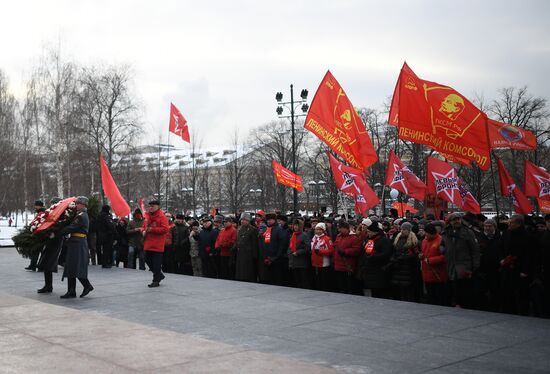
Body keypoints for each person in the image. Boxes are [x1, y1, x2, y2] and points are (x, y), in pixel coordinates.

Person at [499, 214, 536, 315]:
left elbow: (530, 255)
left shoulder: (528, 236)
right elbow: (501, 248)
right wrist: (502, 259)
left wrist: (525, 270)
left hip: (520, 271)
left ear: (519, 224)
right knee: (507, 293)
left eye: (512, 223)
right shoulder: (506, 233)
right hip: (507, 269)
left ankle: (522, 313)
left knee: (521, 295)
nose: (509, 224)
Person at [441, 212, 480, 308]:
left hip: (464, 264)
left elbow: (475, 250)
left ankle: (464, 305)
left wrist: (475, 265)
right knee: (453, 286)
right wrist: (442, 249)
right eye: (454, 220)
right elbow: (442, 244)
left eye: (458, 219)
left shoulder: (467, 232)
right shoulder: (445, 232)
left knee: (464, 287)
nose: (457, 221)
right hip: (451, 264)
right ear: (450, 222)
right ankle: (456, 304)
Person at [59, 196, 94, 299]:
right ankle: (72, 290)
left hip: (78, 243)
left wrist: (59, 231)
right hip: (75, 242)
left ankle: (86, 286)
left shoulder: (81, 216)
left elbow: (72, 227)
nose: (76, 205)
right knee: (71, 266)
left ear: (83, 205)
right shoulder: (79, 215)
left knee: (75, 266)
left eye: (78, 203)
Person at [358, 222, 393, 298]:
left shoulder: (383, 240)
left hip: (379, 269)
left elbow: (386, 253)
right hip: (370, 270)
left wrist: (374, 256)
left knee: (380, 292)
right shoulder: (370, 240)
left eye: (369, 232)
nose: (368, 233)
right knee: (373, 292)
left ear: (374, 232)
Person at [37, 197, 64, 294]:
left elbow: (62, 226)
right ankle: (48, 286)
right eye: (52, 203)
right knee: (46, 264)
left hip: (56, 240)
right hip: (50, 240)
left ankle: (48, 286)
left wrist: (54, 233)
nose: (52, 205)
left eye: (54, 203)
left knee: (48, 263)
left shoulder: (62, 215)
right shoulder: (52, 214)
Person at [389, 221, 420, 302]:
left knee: (408, 290)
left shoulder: (414, 240)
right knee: (400, 289)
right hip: (399, 268)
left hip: (408, 269)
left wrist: (404, 257)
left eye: (405, 229)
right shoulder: (397, 238)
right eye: (402, 229)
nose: (402, 231)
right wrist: (393, 258)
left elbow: (415, 254)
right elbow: (394, 251)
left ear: (409, 230)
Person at [142, 200, 170, 288]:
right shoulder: (147, 216)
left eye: (153, 206)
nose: (151, 207)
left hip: (157, 244)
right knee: (147, 259)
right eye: (150, 206)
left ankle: (156, 280)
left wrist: (152, 230)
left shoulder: (162, 217)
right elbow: (144, 226)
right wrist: (142, 230)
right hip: (148, 243)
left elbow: (165, 229)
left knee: (156, 263)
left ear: (158, 206)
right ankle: (159, 275)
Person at [419, 223, 449, 306]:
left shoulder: (441, 240)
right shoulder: (424, 241)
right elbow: (423, 252)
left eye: (427, 233)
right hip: (427, 273)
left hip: (438, 274)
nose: (425, 235)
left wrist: (431, 260)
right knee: (430, 297)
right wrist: (421, 255)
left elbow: (445, 256)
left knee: (439, 297)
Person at [333, 221, 362, 295]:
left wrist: (345, 251)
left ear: (346, 228)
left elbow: (357, 250)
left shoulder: (354, 237)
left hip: (348, 265)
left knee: (349, 285)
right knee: (341, 285)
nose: (339, 230)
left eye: (340, 228)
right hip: (338, 265)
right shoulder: (338, 236)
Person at [258, 213, 286, 285]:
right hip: (268, 258)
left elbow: (281, 245)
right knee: (271, 278)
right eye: (268, 220)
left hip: (276, 258)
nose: (268, 221)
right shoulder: (268, 229)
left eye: (270, 220)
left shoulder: (279, 230)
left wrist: (276, 257)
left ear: (274, 220)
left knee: (277, 278)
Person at [233, 213, 259, 282]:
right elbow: (237, 240)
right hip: (240, 252)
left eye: (244, 220)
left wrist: (254, 255)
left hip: (248, 254)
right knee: (240, 270)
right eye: (241, 220)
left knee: (248, 271)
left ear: (248, 221)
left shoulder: (253, 229)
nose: (242, 221)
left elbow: (255, 243)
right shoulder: (239, 228)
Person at [310, 222, 334, 291]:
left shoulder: (327, 239)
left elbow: (331, 251)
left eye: (319, 229)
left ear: (323, 230)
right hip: (315, 262)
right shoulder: (314, 238)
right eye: (316, 229)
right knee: (317, 279)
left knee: (324, 280)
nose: (318, 231)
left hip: (324, 263)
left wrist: (320, 251)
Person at [288, 218, 311, 289]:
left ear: (300, 226)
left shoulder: (304, 235)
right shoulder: (293, 235)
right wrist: (289, 253)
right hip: (293, 261)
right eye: (294, 225)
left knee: (303, 280)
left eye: (297, 225)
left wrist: (298, 252)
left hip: (301, 262)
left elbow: (307, 248)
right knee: (296, 281)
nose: (295, 227)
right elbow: (290, 246)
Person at [25, 200, 46, 271]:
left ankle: (39, 265)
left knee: (37, 250)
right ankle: (34, 265)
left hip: (40, 235)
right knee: (36, 251)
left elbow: (39, 222)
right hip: (39, 235)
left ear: (40, 206)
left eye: (36, 205)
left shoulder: (42, 213)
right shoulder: (40, 212)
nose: (35, 206)